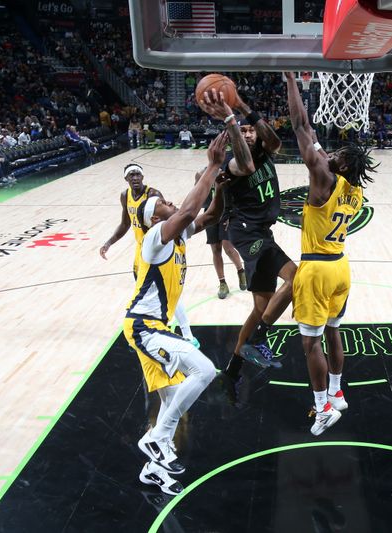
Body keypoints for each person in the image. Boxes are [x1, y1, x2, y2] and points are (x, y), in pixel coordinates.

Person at [127, 132, 228, 495]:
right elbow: (187, 210)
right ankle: (156, 439)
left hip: (154, 327)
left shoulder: (181, 234)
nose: (167, 201)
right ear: (155, 218)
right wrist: (212, 166)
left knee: (172, 399)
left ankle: (152, 469)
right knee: (204, 370)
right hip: (144, 327)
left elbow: (210, 214)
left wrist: (221, 184)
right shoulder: (156, 238)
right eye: (162, 203)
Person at [286, 72, 379, 435]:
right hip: (341, 267)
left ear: (339, 166)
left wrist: (293, 81)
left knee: (311, 345)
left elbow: (300, 125)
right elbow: (317, 142)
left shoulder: (323, 180)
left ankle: (322, 406)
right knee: (335, 331)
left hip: (317, 270)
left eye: (336, 155)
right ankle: (338, 392)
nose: (332, 154)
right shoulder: (353, 190)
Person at [199, 89, 296, 372]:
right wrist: (232, 120)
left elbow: (275, 140)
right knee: (296, 278)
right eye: (244, 131)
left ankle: (234, 367)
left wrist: (242, 106)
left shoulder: (267, 151)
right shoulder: (232, 163)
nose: (250, 133)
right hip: (246, 233)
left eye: (251, 130)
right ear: (233, 136)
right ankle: (258, 339)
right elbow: (246, 164)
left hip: (261, 232)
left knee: (261, 307)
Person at [100, 163, 200, 348]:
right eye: (131, 175)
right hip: (142, 249)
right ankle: (146, 330)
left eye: (138, 174)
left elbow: (171, 219)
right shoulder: (125, 196)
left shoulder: (153, 195)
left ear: (143, 177)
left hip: (159, 246)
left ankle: (186, 334)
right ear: (126, 179)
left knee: (167, 289)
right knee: (146, 291)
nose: (135, 177)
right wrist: (109, 242)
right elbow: (125, 223)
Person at [200, 184, 247, 299]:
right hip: (210, 214)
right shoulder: (202, 174)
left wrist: (233, 213)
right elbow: (199, 197)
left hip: (227, 212)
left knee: (228, 248)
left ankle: (241, 271)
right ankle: (222, 283)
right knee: (216, 250)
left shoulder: (226, 171)